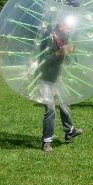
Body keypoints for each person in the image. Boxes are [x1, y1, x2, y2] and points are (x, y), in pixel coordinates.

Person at [37, 20, 83, 151]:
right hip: (44, 78)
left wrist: (71, 51)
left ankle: (69, 132)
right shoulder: (48, 38)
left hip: (56, 78)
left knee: (64, 104)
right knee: (50, 109)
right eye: (68, 26)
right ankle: (46, 142)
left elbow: (67, 61)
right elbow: (43, 60)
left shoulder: (64, 40)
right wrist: (59, 53)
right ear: (60, 26)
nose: (70, 28)